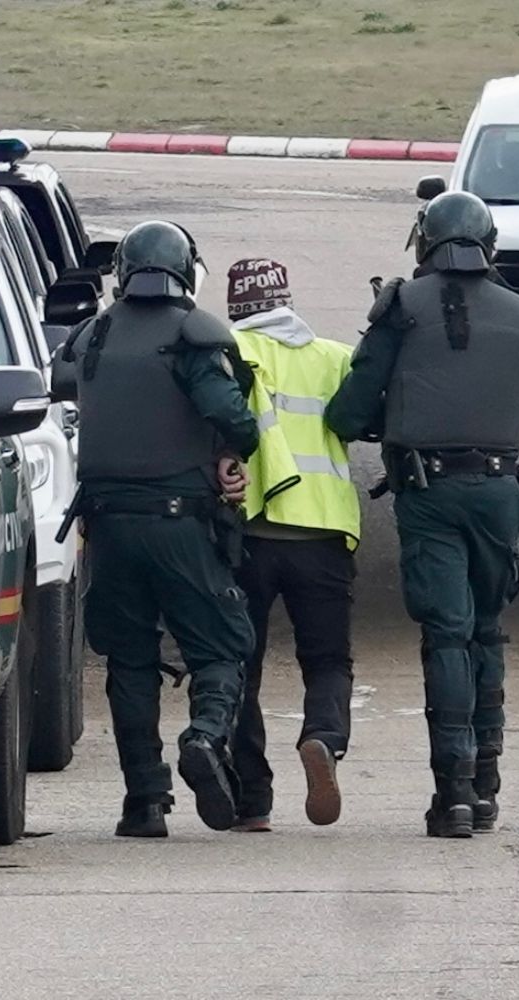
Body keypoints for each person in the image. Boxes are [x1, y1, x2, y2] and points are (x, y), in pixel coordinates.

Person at [325, 191, 519, 839]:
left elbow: (347, 412)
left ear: (426, 241)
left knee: (448, 634)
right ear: (489, 243)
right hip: (501, 492)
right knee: (487, 630)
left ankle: (453, 788)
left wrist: (392, 417)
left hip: (430, 492)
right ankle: (485, 788)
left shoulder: (400, 308)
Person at [51, 221, 259, 839]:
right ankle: (204, 735)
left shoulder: (95, 333)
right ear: (185, 271)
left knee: (130, 661)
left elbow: (62, 384)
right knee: (223, 645)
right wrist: (231, 447)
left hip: (109, 526)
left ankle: (144, 801)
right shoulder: (193, 336)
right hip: (180, 523)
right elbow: (232, 414)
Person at [219, 259, 360, 833]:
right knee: (327, 659)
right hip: (324, 532)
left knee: (240, 664)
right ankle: (322, 737)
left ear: (236, 307)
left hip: (249, 530)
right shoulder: (334, 356)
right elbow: (357, 421)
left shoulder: (226, 350)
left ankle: (252, 800)